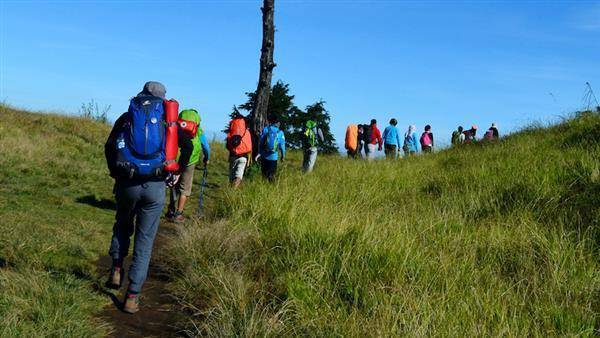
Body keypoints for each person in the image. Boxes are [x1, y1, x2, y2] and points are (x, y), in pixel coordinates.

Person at [104, 81, 177, 314]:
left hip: (127, 182)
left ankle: (116, 269)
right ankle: (132, 296)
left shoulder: (127, 117)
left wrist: (116, 174)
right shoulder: (168, 120)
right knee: (145, 242)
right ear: (163, 98)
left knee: (122, 225)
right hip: (155, 187)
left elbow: (109, 147)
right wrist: (171, 174)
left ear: (142, 95)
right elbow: (177, 150)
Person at [166, 109, 210, 224]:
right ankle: (179, 214)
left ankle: (170, 209)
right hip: (190, 161)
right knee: (185, 188)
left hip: (176, 158)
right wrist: (207, 158)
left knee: (174, 184)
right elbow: (206, 147)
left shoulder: (177, 127)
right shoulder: (199, 131)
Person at [226, 111, 252, 188]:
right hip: (243, 157)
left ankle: (231, 190)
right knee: (239, 175)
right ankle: (233, 191)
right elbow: (249, 146)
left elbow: (227, 146)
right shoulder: (246, 132)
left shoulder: (231, 133)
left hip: (233, 156)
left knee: (231, 176)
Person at [260, 114, 286, 181]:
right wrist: (283, 156)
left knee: (264, 175)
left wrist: (260, 153)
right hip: (273, 157)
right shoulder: (280, 132)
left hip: (264, 156)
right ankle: (271, 188)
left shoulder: (265, 129)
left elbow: (261, 143)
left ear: (270, 121)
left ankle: (263, 188)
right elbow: (282, 147)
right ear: (278, 123)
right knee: (272, 175)